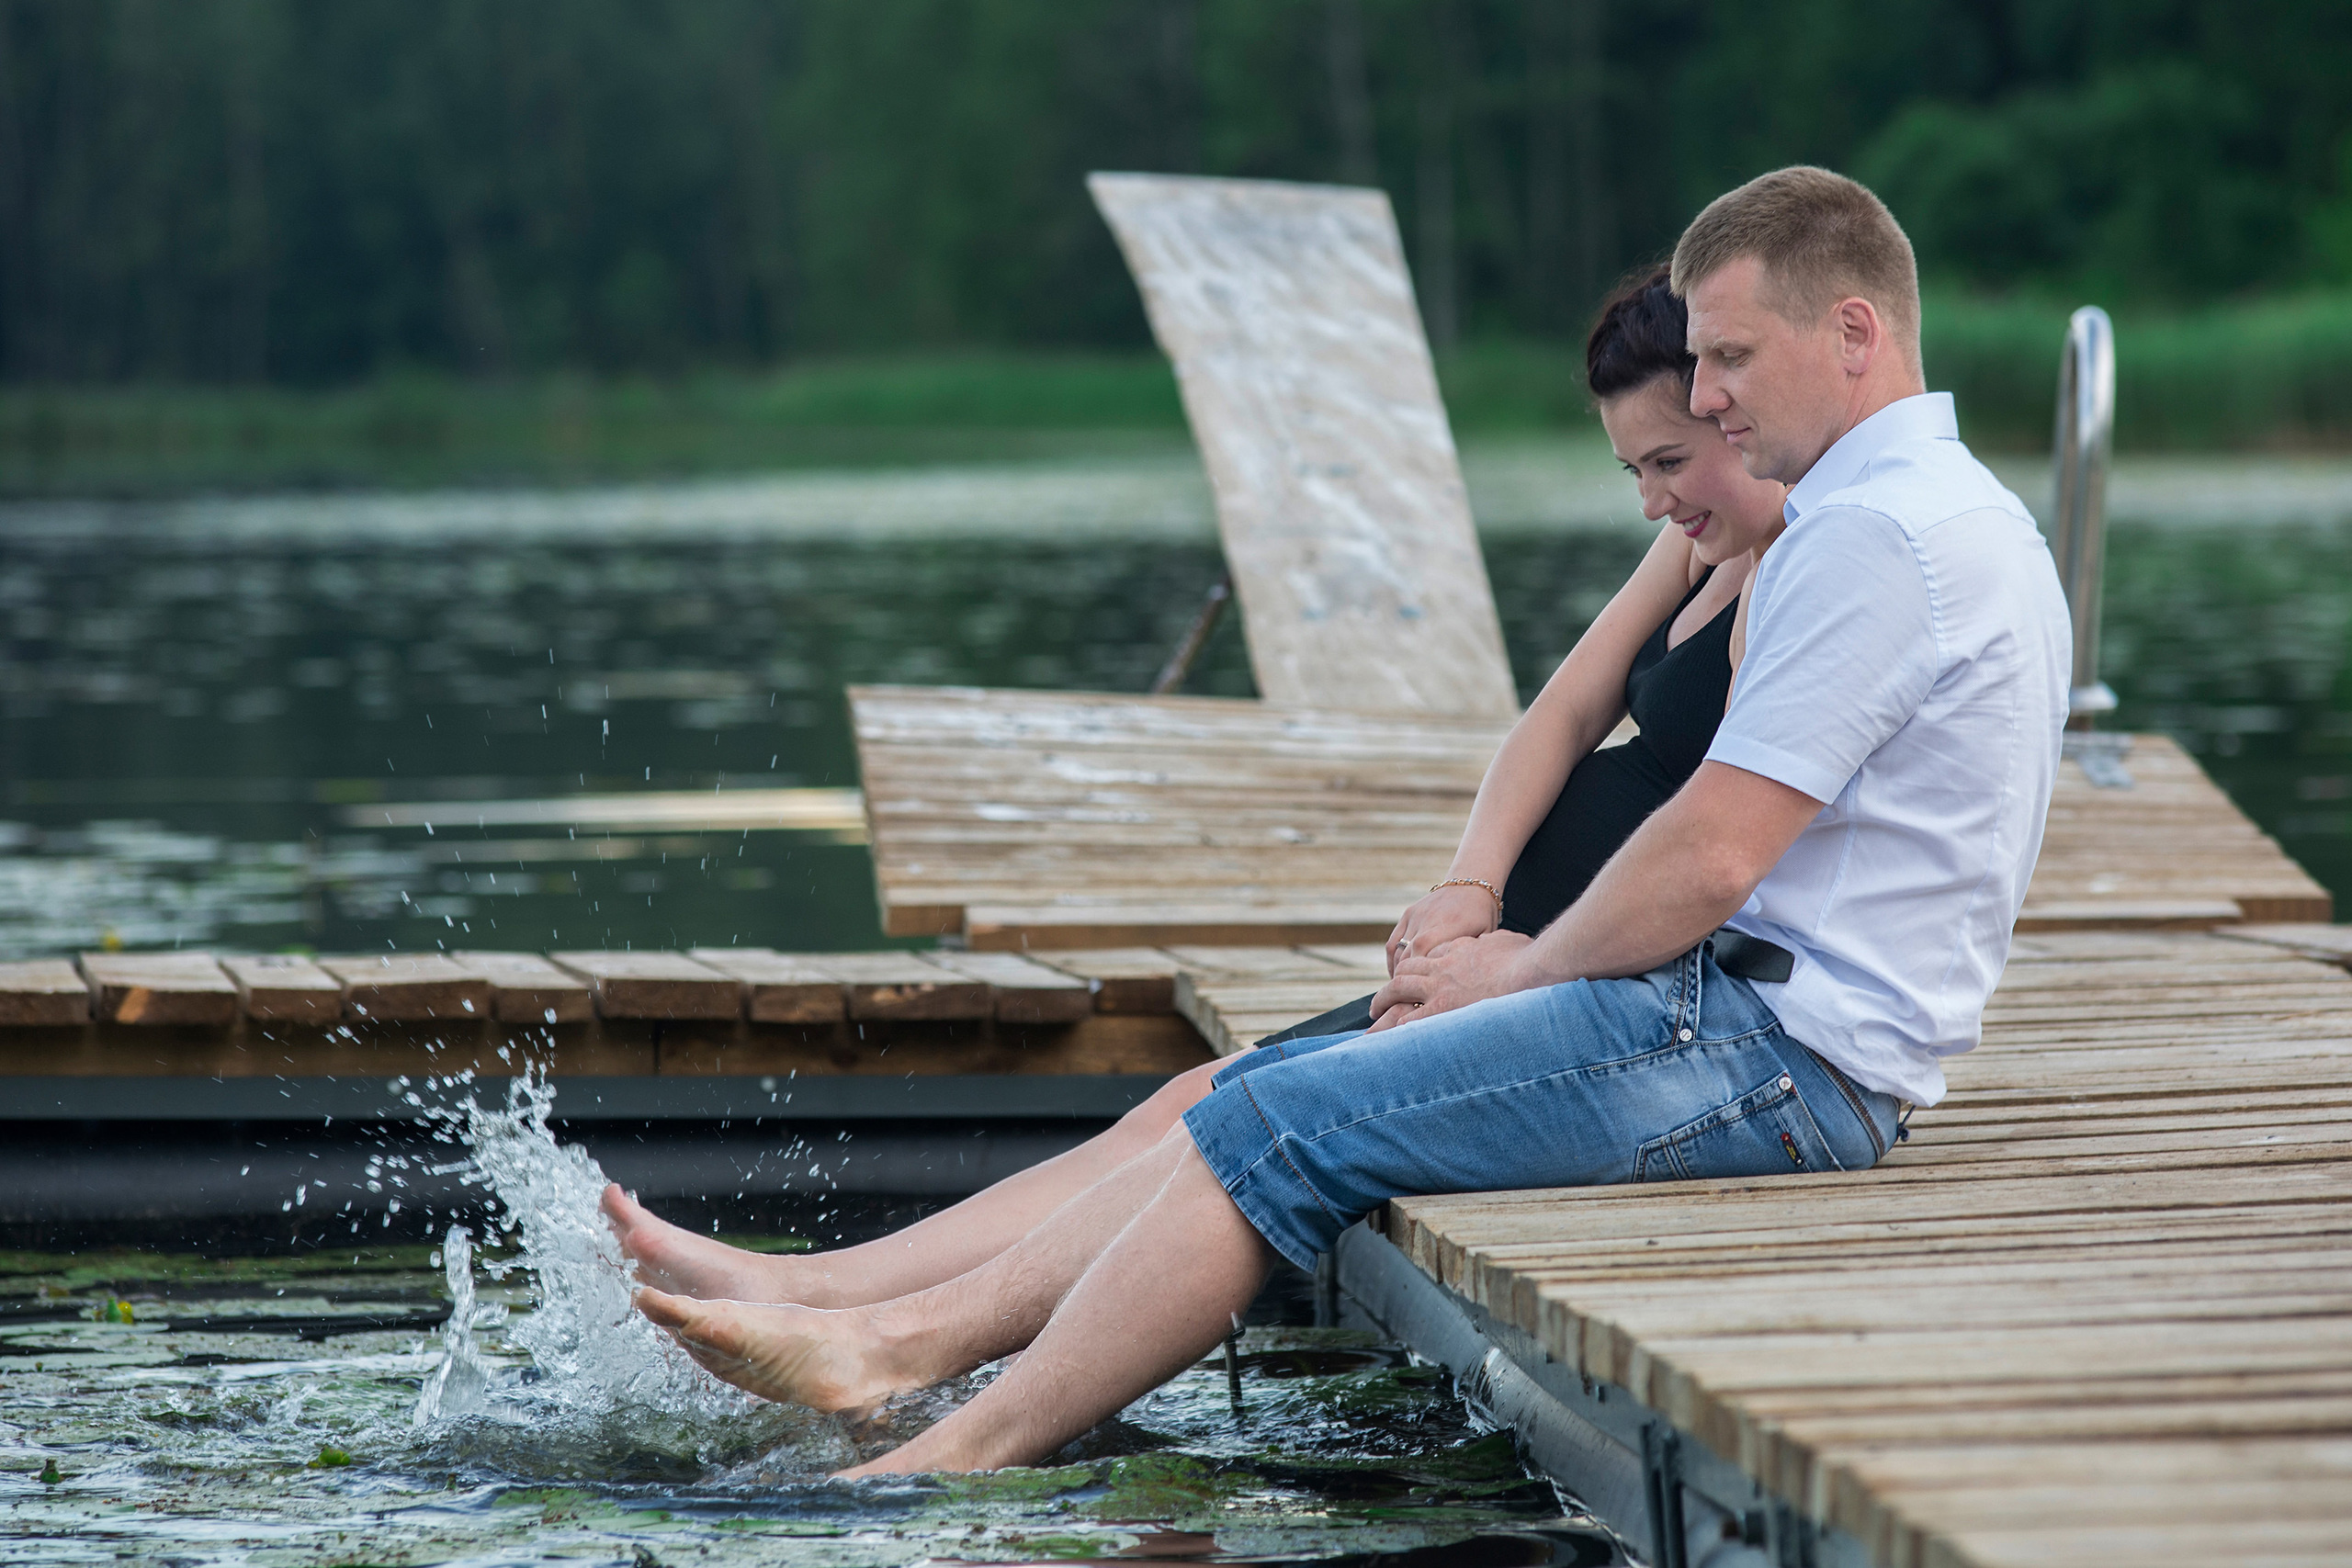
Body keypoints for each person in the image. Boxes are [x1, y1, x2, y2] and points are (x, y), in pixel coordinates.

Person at [611, 165, 2072, 1478]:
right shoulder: (1927, 513)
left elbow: (1715, 851)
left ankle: (937, 1434)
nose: (1713, 399)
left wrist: (1519, 966)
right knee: (1249, 1105)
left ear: (1858, 333)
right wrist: (1482, 910)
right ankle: (883, 1341)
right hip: (1751, 1025)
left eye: (1735, 360)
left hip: (1767, 1056)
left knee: (1280, 1125)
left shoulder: (1879, 538)